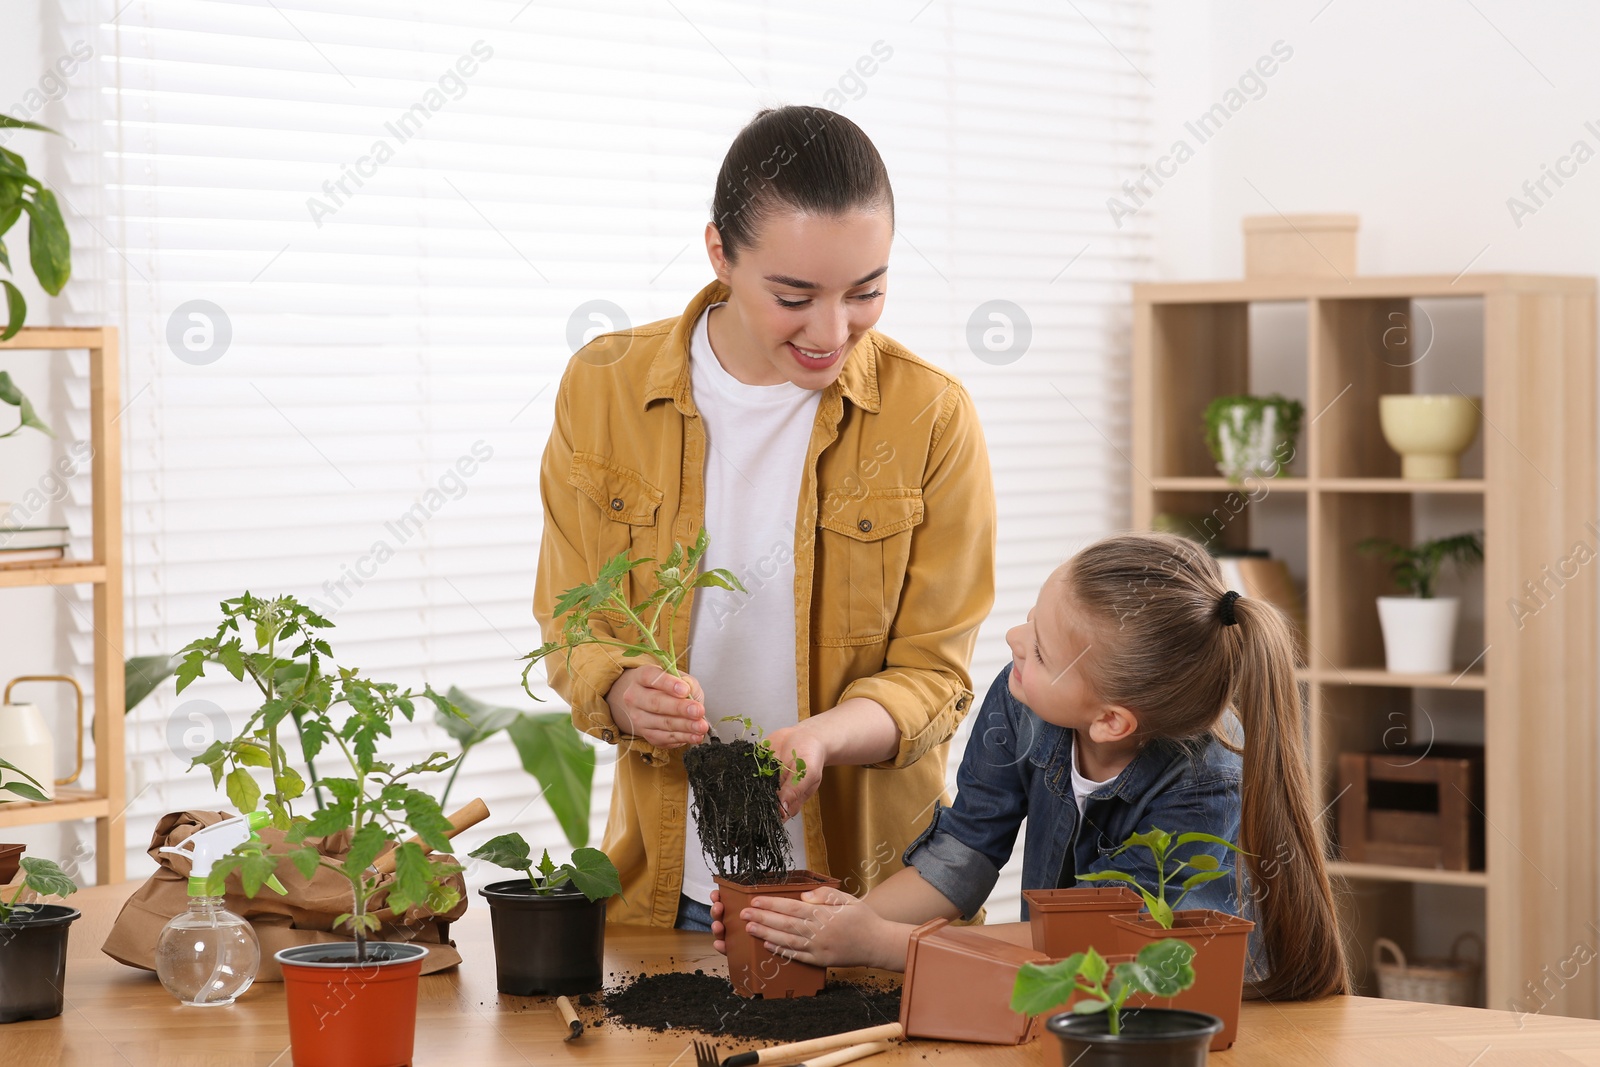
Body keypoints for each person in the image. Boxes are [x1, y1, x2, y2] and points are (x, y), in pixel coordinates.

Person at [533, 105, 996, 929]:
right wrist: (621, 688)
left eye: (868, 291)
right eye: (794, 295)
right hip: (670, 894)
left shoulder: (931, 415)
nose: (832, 331)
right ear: (719, 253)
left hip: (873, 904)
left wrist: (824, 736)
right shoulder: (602, 385)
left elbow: (937, 675)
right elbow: (573, 621)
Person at [717, 532, 1350, 1001]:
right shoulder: (1024, 702)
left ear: (1111, 721)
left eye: (1041, 649)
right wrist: (833, 925)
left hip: (1185, 1021)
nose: (1016, 642)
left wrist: (884, 946)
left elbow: (1100, 954)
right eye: (1031, 620)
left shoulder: (1205, 780)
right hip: (1068, 1003)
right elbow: (962, 855)